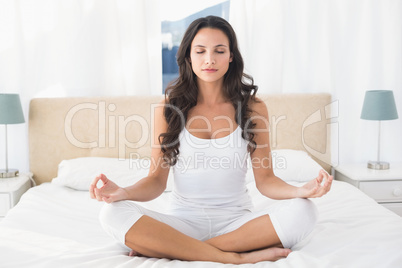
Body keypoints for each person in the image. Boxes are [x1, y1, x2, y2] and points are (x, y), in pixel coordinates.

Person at [89, 15, 333, 264]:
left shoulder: (253, 107)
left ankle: (176, 248)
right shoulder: (168, 107)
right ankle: (235, 258)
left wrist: (300, 190)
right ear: (188, 57)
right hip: (182, 222)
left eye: (219, 50)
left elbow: (266, 180)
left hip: (239, 224)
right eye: (200, 51)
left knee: (304, 211)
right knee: (111, 213)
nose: (209, 59)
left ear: (231, 57)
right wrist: (123, 192)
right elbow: (155, 181)